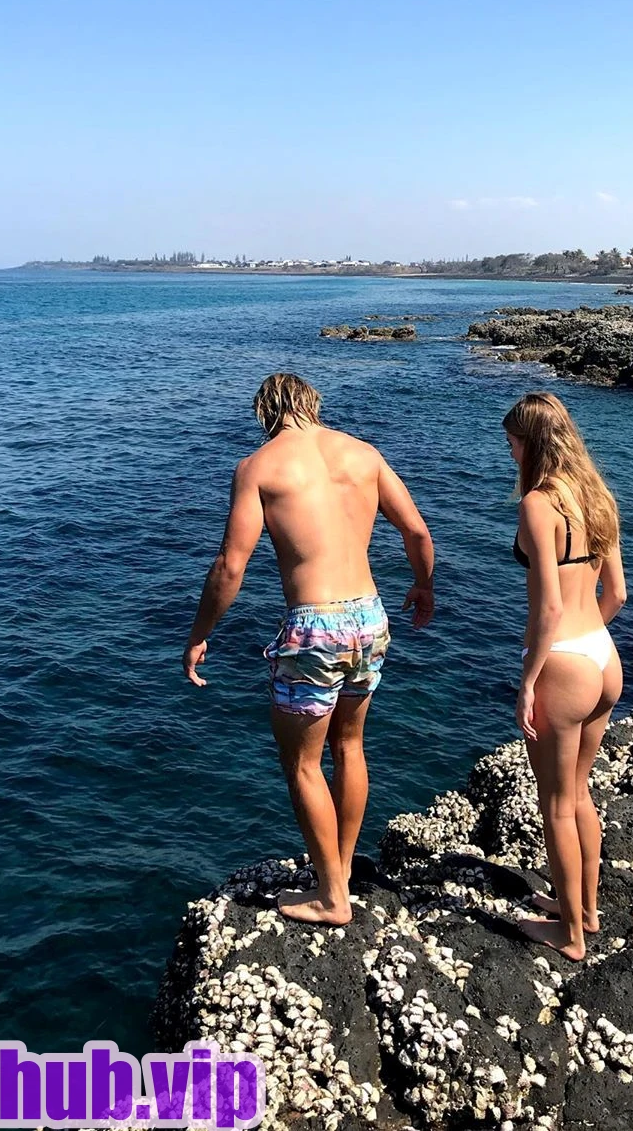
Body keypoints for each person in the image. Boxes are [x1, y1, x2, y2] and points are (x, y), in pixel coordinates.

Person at [182, 373, 435, 925]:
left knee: (302, 763)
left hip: (314, 626)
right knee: (350, 746)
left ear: (266, 411)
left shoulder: (258, 468)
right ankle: (338, 870)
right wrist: (422, 586)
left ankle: (331, 896)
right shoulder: (363, 454)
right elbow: (416, 532)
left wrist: (200, 633)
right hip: (369, 616)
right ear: (312, 404)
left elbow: (230, 565)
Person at [502, 391, 626, 960]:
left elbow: (549, 608)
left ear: (531, 443)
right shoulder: (597, 495)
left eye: (513, 443)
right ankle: (586, 911)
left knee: (554, 803)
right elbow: (616, 594)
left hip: (565, 664)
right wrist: (584, 643)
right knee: (579, 793)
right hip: (603, 655)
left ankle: (570, 936)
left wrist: (531, 678)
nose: (510, 454)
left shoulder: (538, 504)